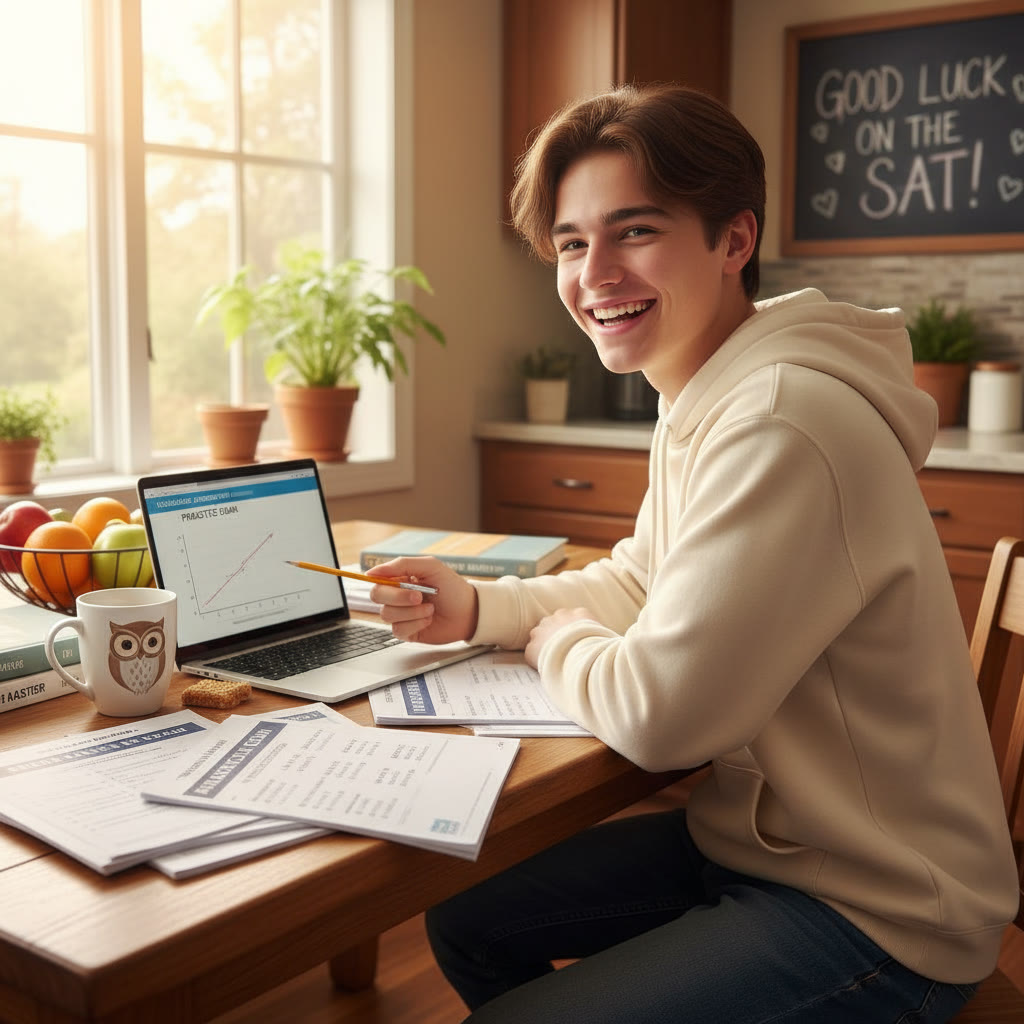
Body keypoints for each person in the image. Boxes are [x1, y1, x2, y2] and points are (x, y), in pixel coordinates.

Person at [366, 84, 1019, 1023]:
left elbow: (662, 718)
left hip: (882, 910)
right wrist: (478, 607)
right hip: (763, 845)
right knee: (464, 913)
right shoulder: (708, 395)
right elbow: (642, 578)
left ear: (733, 241)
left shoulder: (782, 420)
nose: (595, 274)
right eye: (572, 243)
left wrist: (554, 646)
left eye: (635, 231)